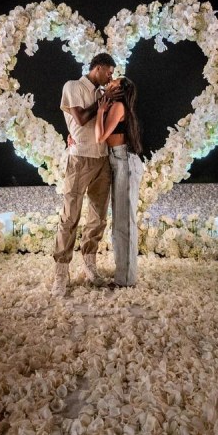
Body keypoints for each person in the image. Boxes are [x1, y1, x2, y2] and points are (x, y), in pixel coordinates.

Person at [52, 53, 120, 297]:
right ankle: (61, 272)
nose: (111, 76)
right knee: (70, 215)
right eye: (109, 72)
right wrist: (102, 102)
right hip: (79, 158)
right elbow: (79, 119)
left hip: (103, 159)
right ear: (98, 68)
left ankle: (90, 265)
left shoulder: (103, 94)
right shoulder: (72, 86)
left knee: (98, 216)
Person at [95, 76, 143, 287]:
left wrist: (99, 112)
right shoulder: (114, 105)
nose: (111, 80)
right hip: (118, 160)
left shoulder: (118, 106)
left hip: (124, 161)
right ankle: (122, 275)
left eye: (115, 81)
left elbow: (100, 137)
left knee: (125, 222)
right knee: (120, 222)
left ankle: (126, 279)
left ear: (120, 90)